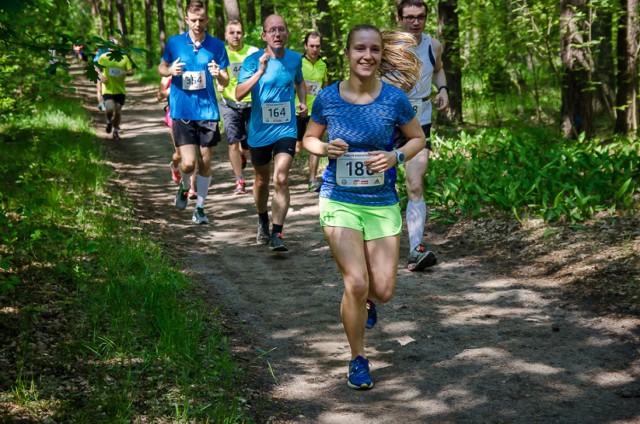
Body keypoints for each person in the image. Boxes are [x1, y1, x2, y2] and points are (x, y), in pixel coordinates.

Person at [302, 25, 424, 390]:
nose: (367, 56)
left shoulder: (394, 99)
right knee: (355, 282)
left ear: (380, 53)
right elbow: (309, 137)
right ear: (347, 52)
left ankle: (369, 302)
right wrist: (325, 149)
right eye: (360, 49)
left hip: (381, 202)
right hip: (339, 200)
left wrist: (395, 156)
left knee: (382, 289)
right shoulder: (327, 97)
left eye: (373, 49)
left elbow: (418, 138)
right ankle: (357, 358)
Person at [236, 14, 307, 251]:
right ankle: (262, 219)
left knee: (282, 178)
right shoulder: (252, 61)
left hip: (286, 127)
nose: (277, 34)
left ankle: (278, 232)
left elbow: (299, 82)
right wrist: (259, 71)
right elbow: (238, 93)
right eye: (272, 30)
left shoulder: (296, 59)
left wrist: (303, 101)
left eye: (281, 30)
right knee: (261, 180)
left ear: (287, 33)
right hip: (259, 131)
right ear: (264, 35)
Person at [157, 0, 230, 225]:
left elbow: (226, 80)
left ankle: (199, 207)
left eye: (202, 19)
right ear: (187, 19)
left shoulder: (217, 46)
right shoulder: (175, 43)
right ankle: (183, 185)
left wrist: (218, 74)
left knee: (206, 161)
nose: (198, 24)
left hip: (208, 110)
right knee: (188, 163)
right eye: (194, 20)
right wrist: (169, 70)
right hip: (182, 110)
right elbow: (161, 67)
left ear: (207, 19)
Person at [396, 0, 449, 271]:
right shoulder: (386, 46)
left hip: (420, 124)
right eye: (409, 17)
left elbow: (438, 69)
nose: (415, 22)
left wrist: (442, 90)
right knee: (380, 185)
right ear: (399, 19)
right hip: (387, 124)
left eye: (420, 17)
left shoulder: (433, 45)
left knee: (415, 183)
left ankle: (416, 249)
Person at [219, 20, 258, 196]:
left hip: (251, 104)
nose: (236, 36)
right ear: (226, 35)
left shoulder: (252, 52)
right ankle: (239, 181)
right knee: (233, 142)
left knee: (250, 144)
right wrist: (219, 83)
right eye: (232, 32)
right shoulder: (221, 53)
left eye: (239, 32)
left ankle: (244, 153)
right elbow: (218, 75)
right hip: (229, 103)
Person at [295, 31, 329, 192]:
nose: (314, 49)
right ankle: (281, 173)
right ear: (305, 46)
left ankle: (312, 179)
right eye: (311, 46)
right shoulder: (298, 63)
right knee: (297, 147)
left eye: (317, 46)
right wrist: (300, 88)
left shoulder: (323, 64)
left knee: (315, 144)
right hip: (298, 109)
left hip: (316, 111)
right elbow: (287, 84)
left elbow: (326, 86)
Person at [157, 76, 197, 199]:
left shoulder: (194, 70)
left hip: (195, 114)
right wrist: (169, 91)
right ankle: (174, 166)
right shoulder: (168, 76)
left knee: (193, 154)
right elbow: (159, 96)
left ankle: (191, 187)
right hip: (175, 116)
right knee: (179, 155)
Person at [96, 36, 134, 140]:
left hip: (120, 89)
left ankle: (116, 131)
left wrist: (125, 72)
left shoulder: (124, 58)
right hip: (107, 89)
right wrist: (101, 76)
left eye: (115, 45)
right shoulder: (103, 57)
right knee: (109, 109)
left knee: (117, 111)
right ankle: (109, 122)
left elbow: (131, 71)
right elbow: (95, 67)